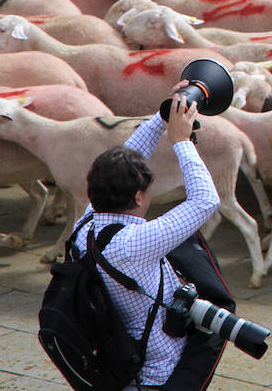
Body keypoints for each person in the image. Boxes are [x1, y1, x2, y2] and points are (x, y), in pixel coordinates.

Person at [72, 90, 217, 390]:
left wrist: (164, 116)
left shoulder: (85, 225)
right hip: (159, 375)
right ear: (138, 197)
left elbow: (127, 157)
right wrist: (182, 141)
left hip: (122, 366)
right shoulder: (135, 244)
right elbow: (205, 200)